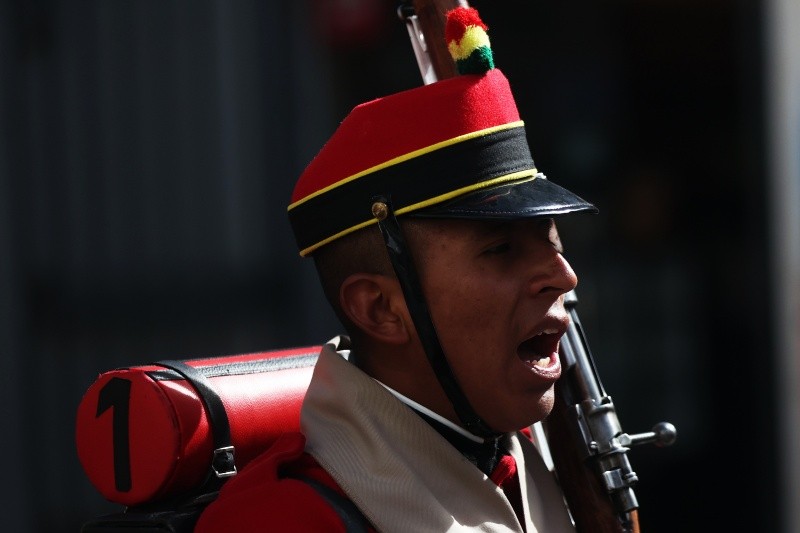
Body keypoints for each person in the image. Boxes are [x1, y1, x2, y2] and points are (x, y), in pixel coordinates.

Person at [195, 7, 596, 532]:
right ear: (380, 308)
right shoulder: (286, 520)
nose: (563, 277)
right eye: (501, 249)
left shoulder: (521, 460)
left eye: (551, 243)